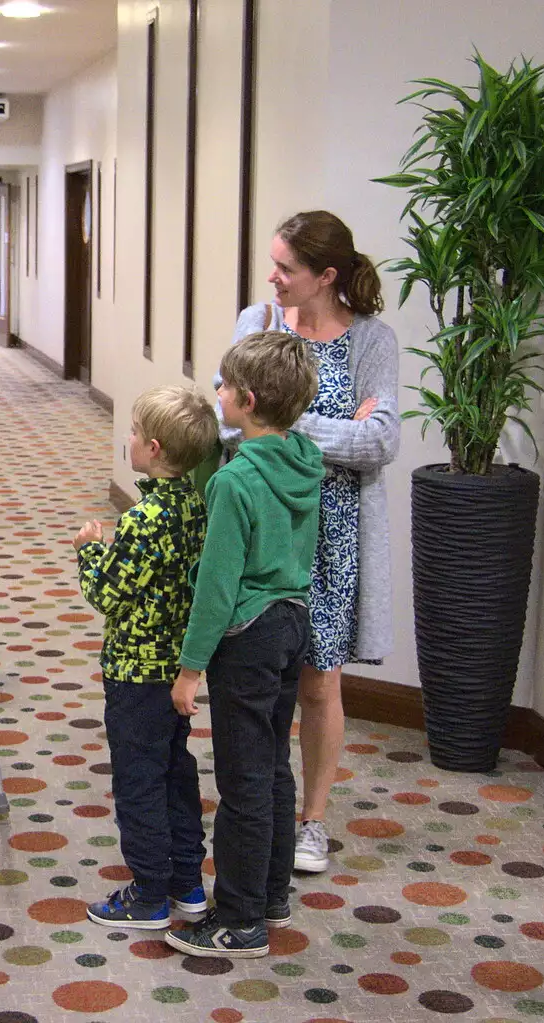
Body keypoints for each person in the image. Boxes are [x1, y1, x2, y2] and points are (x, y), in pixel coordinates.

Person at [219, 211, 400, 874]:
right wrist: (329, 429)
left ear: (326, 275)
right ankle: (260, 804)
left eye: (285, 268)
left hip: (333, 533)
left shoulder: (371, 341)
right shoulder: (256, 323)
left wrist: (283, 426)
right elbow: (224, 419)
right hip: (264, 522)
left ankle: (313, 821)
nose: (272, 277)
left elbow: (380, 440)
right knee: (257, 673)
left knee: (320, 682)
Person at [168, 331, 323, 959]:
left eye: (225, 386)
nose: (217, 393)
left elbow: (217, 584)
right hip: (292, 622)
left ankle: (239, 919)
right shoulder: (304, 459)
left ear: (248, 399)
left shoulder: (235, 485)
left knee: (242, 780)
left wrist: (189, 668)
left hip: (247, 636)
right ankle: (272, 895)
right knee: (275, 766)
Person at [75, 386, 216, 931]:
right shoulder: (195, 506)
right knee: (175, 774)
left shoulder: (144, 518)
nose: (128, 439)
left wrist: (90, 549)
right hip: (175, 669)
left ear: (154, 448)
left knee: (138, 780)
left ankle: (149, 893)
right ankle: (186, 884)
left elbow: (109, 594)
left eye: (134, 432)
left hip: (136, 672)